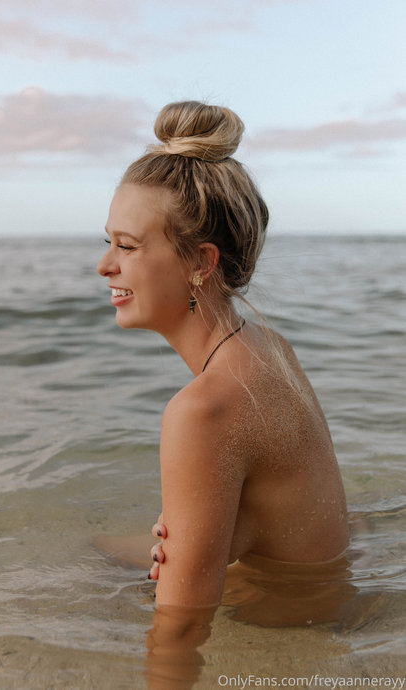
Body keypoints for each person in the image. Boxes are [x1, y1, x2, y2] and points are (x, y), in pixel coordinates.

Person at [97, 101, 349, 612]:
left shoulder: (202, 411)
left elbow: (181, 629)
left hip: (284, 628)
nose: (104, 266)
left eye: (127, 246)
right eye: (109, 243)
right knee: (98, 551)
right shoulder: (268, 348)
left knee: (86, 570)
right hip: (324, 602)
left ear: (201, 262)